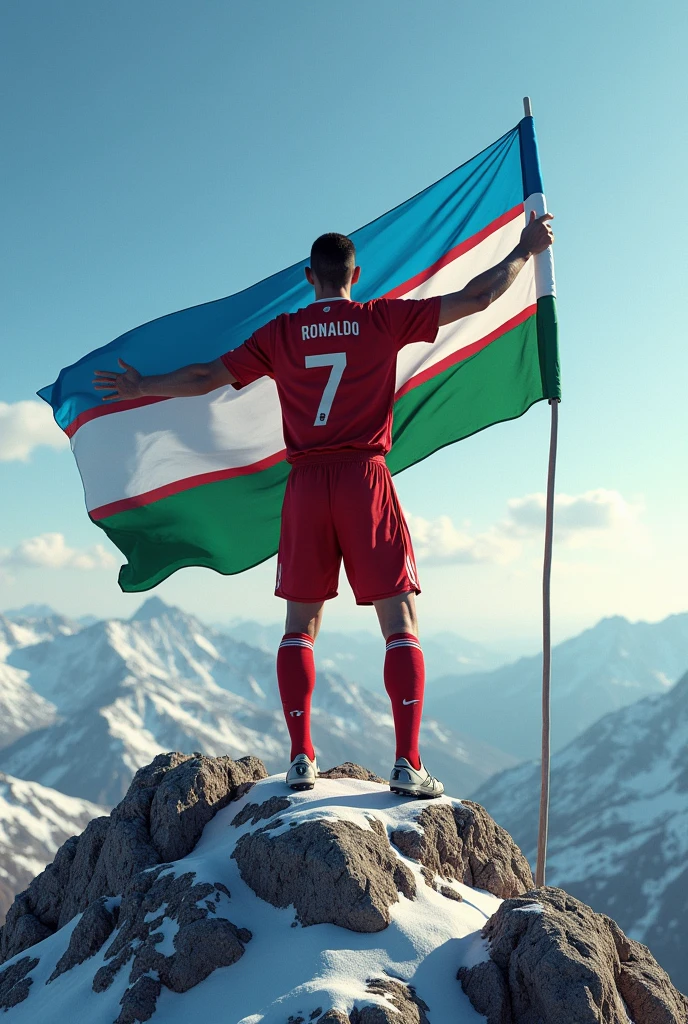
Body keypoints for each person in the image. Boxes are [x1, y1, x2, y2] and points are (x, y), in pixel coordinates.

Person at [94, 211, 554, 797]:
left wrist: (140, 386)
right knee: (399, 624)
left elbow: (207, 375)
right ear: (355, 274)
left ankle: (301, 759)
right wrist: (525, 247)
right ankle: (408, 764)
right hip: (364, 478)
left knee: (299, 628)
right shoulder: (381, 318)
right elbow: (479, 296)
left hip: (306, 484)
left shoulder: (282, 333)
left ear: (310, 276)